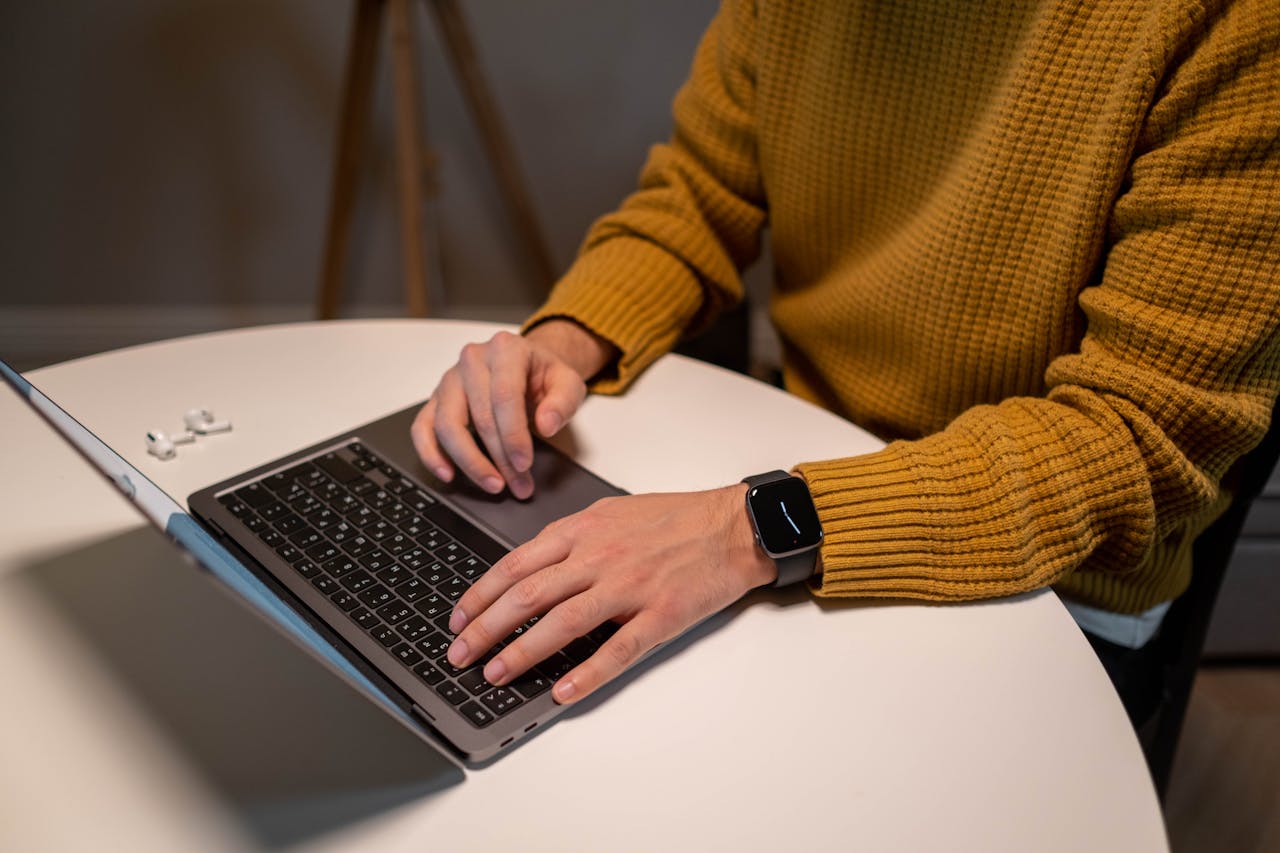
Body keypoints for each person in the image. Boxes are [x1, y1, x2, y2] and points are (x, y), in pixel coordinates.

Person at [410, 0, 1280, 713]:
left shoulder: (1237, 26)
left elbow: (1135, 442)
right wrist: (564, 338)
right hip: (801, 479)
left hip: (1054, 586)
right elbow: (696, 196)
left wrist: (739, 530)